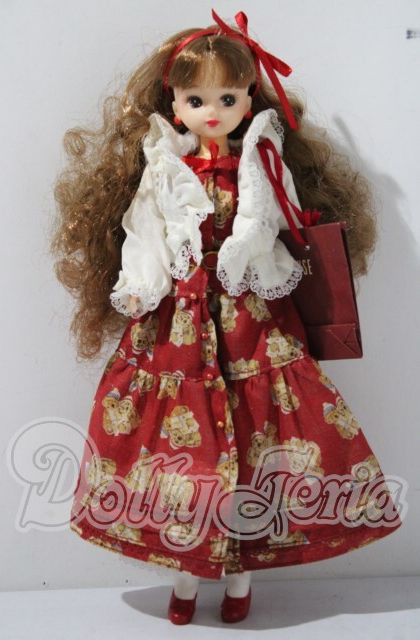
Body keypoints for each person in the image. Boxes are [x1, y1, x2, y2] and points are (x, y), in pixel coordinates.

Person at [51, 9, 403, 625]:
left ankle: (241, 583)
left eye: (227, 98)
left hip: (249, 320)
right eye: (196, 99)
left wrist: (255, 238)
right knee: (188, 458)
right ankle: (186, 582)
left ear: (248, 100)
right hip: (180, 323)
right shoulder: (166, 167)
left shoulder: (261, 163)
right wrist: (142, 284)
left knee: (256, 439)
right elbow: (145, 232)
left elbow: (274, 222)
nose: (212, 111)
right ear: (175, 105)